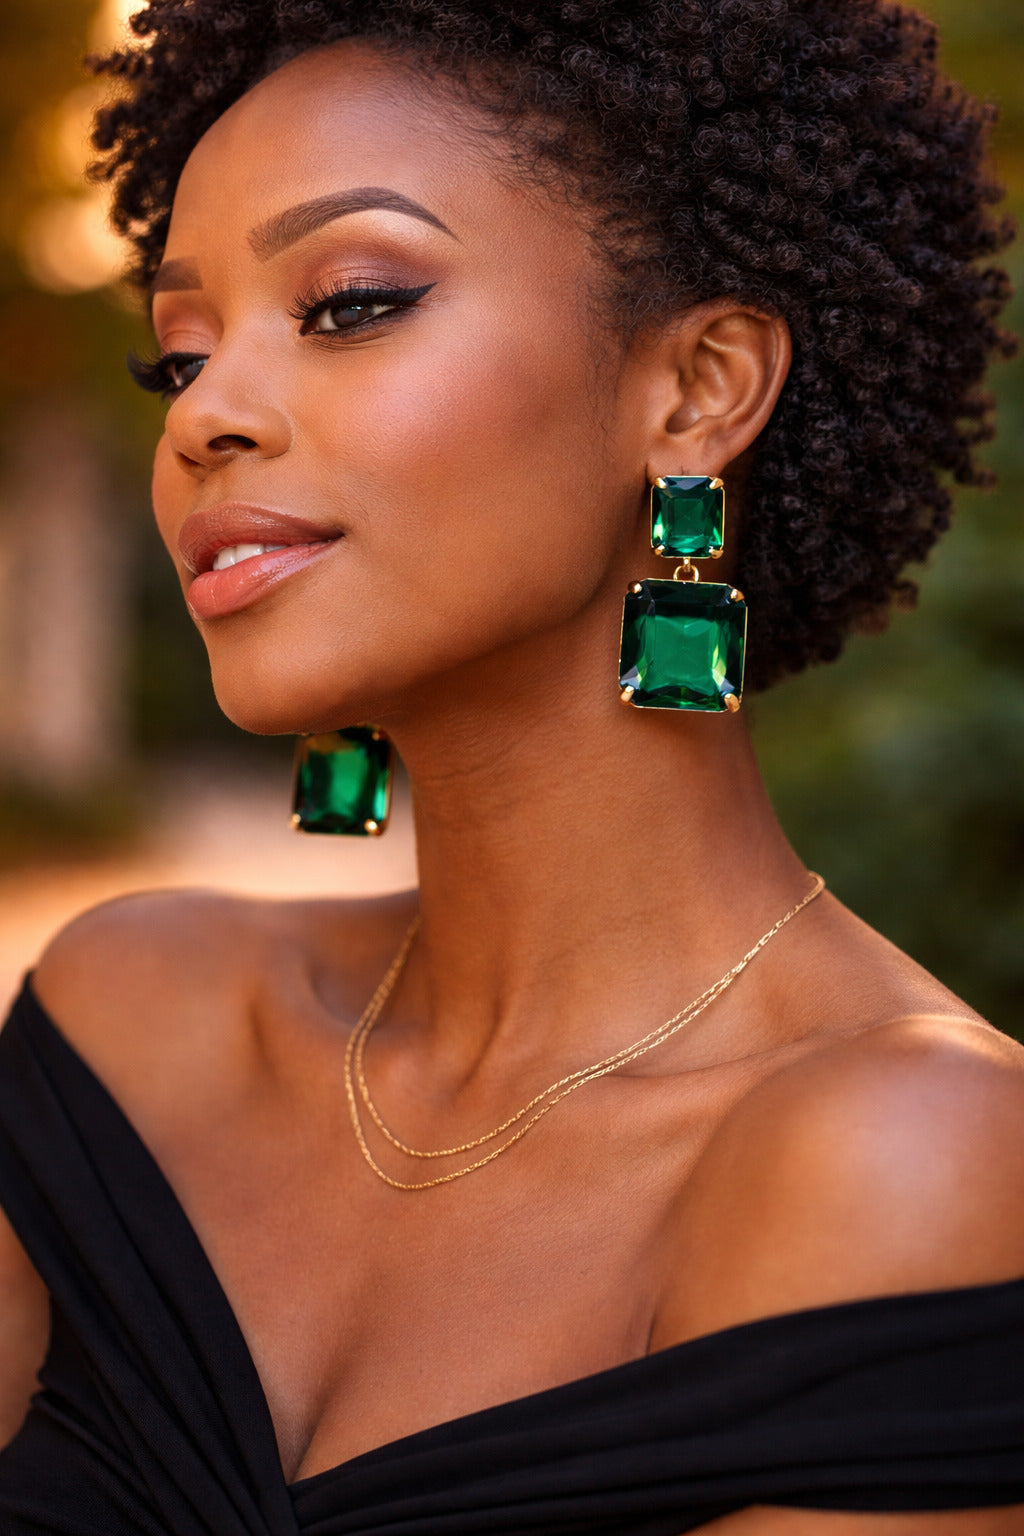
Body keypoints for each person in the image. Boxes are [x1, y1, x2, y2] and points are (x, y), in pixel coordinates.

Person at [0, 1, 1021, 1531]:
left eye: (347, 302)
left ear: (697, 391)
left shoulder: (903, 1160)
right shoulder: (128, 1030)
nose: (205, 414)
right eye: (179, 355)